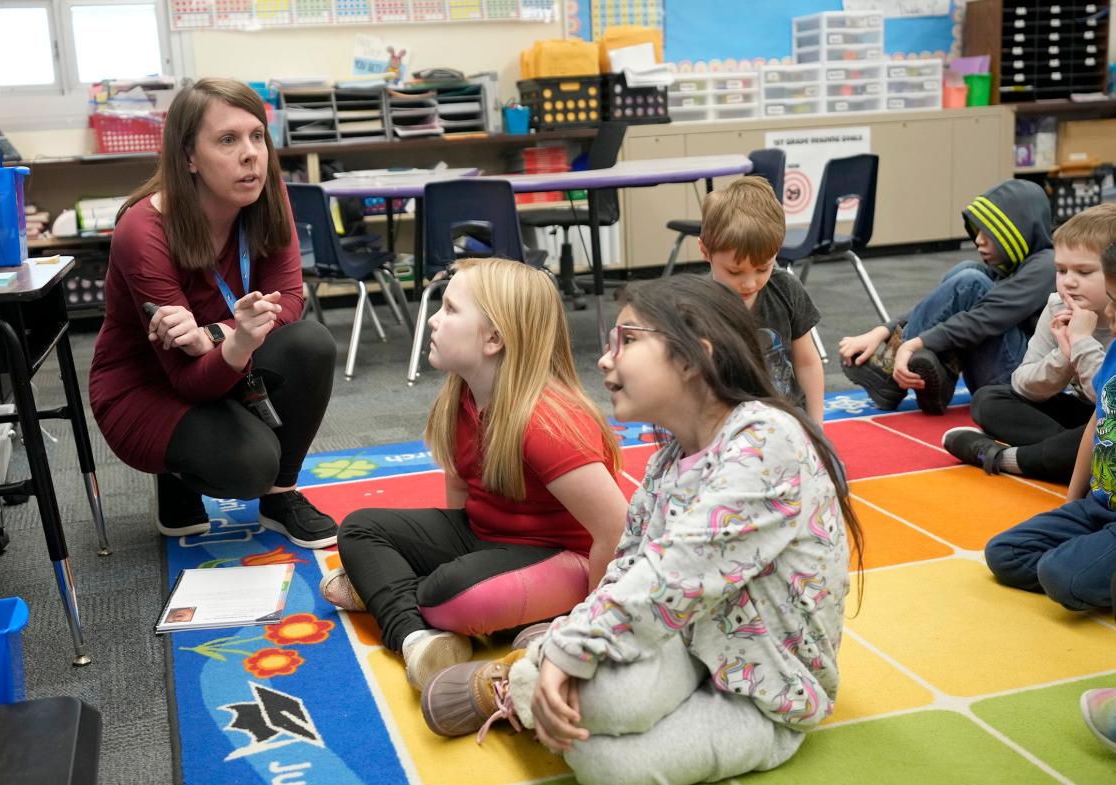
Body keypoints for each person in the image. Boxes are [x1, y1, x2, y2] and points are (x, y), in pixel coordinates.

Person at [420, 276, 863, 785]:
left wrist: (566, 651)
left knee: (605, 764)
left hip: (762, 687)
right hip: (683, 639)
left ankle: (527, 681)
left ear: (693, 358)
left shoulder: (767, 441)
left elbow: (676, 571)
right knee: (594, 697)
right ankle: (529, 675)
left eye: (627, 340)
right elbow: (627, 568)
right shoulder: (668, 460)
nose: (606, 360)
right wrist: (564, 650)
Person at [320, 258, 628, 690]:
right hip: (488, 538)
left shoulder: (546, 422)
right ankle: (414, 636)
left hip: (564, 559)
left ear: (494, 339)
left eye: (449, 309)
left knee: (446, 596)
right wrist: (459, 559)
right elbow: (460, 494)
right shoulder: (462, 393)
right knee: (359, 528)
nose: (432, 320)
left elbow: (617, 530)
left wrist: (590, 622)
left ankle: (397, 595)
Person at [88, 78, 338, 547]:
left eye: (257, 136)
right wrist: (236, 339)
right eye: (228, 140)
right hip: (146, 388)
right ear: (188, 157)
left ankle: (281, 496)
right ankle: (176, 471)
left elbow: (289, 299)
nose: (251, 155)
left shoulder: (267, 194)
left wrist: (217, 335)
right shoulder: (143, 231)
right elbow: (186, 379)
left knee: (310, 343)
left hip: (221, 359)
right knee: (250, 465)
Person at [840, 179, 1055, 414]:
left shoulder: (1046, 265)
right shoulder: (1015, 264)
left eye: (989, 232)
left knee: (970, 283)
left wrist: (910, 345)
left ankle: (891, 375)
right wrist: (883, 330)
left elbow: (985, 317)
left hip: (1021, 384)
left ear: (1017, 228)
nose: (979, 240)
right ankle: (942, 373)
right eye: (978, 230)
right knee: (964, 271)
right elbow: (945, 305)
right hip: (1003, 373)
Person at [983, 239, 1116, 614]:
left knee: (1062, 575)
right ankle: (1092, 565)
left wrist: (1082, 342)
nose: (1110, 313)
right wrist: (1072, 507)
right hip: (1100, 506)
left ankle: (1087, 569)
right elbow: (1096, 425)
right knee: (1005, 553)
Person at [943, 205, 1116, 482]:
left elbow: (1111, 402)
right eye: (1061, 270)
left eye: (1083, 272)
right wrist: (1063, 356)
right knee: (988, 400)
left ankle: (1007, 459)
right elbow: (1023, 384)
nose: (1069, 282)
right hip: (1085, 422)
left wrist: (1082, 342)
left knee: (1104, 432)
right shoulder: (1058, 306)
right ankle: (1068, 458)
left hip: (1108, 417)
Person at [701, 177, 825, 424]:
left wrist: (817, 429)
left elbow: (808, 362)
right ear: (706, 252)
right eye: (735, 272)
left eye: (762, 269)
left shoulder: (786, 289)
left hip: (787, 417)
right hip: (727, 425)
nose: (749, 283)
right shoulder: (699, 304)